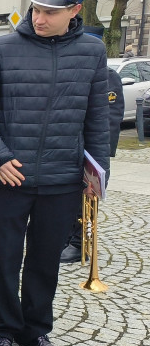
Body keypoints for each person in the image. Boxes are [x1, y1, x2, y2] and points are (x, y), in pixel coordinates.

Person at [0, 0, 110, 346]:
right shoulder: (2, 48)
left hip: (63, 179)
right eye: (37, 8)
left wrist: (98, 173)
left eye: (50, 12)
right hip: (11, 175)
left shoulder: (93, 52)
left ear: (75, 11)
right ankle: (3, 328)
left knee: (45, 260)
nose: (39, 17)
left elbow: (98, 118)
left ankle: (36, 330)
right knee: (6, 256)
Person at [60, 24, 124, 263]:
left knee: (86, 200)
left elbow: (109, 118)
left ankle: (79, 244)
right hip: (71, 148)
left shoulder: (107, 76)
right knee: (69, 201)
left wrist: (99, 160)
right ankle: (67, 239)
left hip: (91, 152)